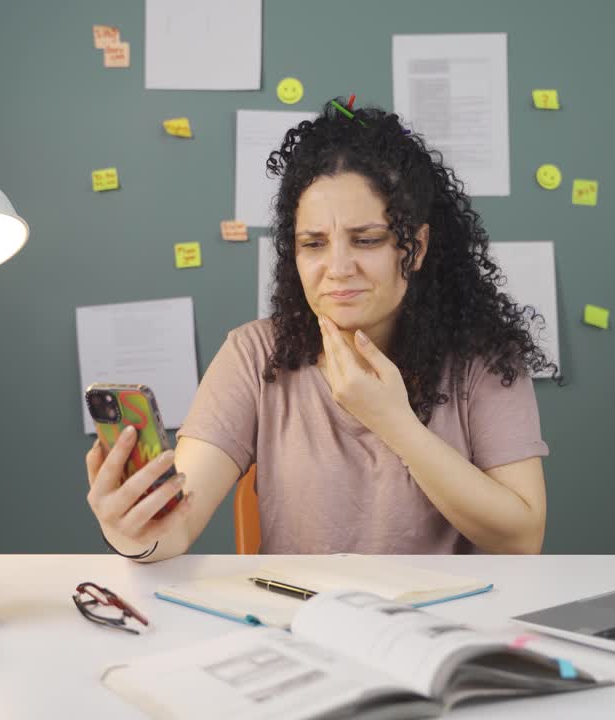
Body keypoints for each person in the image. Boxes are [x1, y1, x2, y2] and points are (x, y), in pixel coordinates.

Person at [85, 100, 557, 561]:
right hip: (300, 625)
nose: (337, 268)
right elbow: (176, 526)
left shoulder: (483, 359)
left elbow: (520, 540)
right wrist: (133, 531)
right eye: (313, 244)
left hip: (447, 627)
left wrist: (393, 421)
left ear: (414, 247)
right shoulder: (254, 355)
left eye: (366, 240)